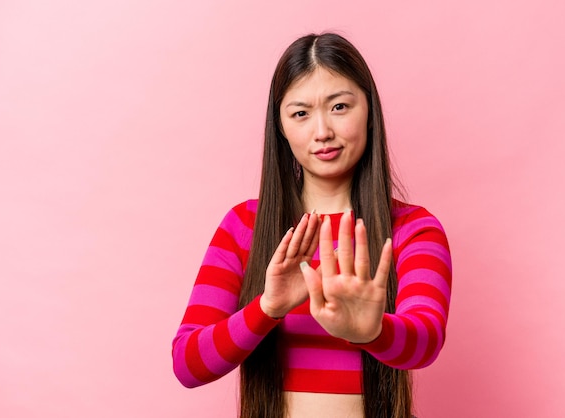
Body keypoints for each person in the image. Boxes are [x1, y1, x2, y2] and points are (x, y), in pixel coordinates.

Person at [172, 32, 452, 418]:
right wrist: (267, 307)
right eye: (300, 113)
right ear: (281, 128)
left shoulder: (413, 229)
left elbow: (425, 342)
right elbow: (188, 364)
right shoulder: (244, 226)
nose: (322, 131)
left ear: (369, 112)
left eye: (339, 106)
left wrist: (372, 330)